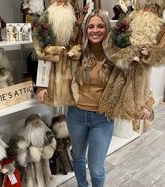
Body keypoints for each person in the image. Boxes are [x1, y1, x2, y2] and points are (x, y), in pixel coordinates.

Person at [65, 10, 114, 187]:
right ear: (85, 30)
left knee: (96, 169)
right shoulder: (77, 53)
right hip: (76, 114)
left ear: (107, 29)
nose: (95, 30)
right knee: (78, 157)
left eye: (100, 26)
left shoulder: (116, 56)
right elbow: (55, 69)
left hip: (102, 118)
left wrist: (147, 103)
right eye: (91, 26)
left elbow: (136, 78)